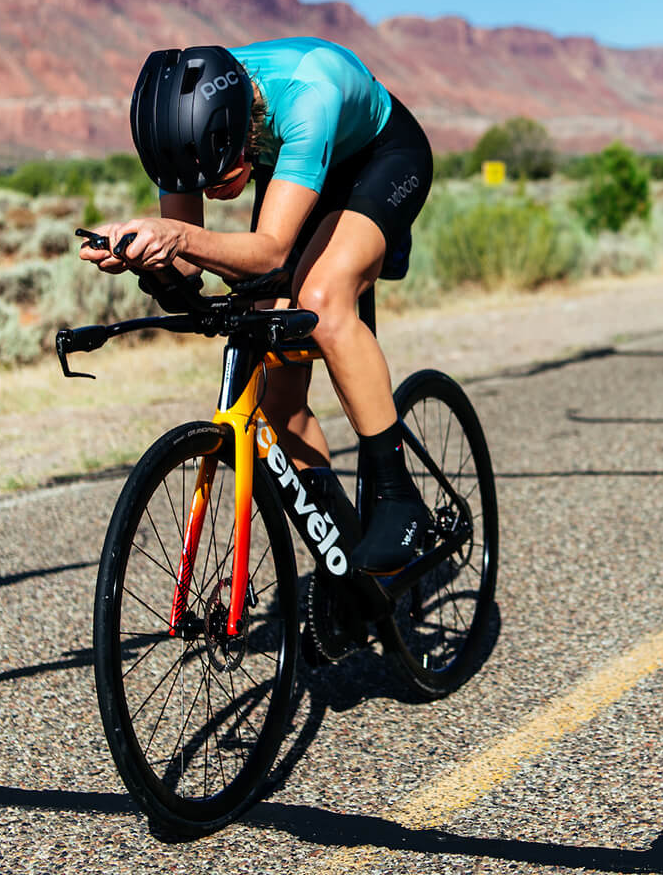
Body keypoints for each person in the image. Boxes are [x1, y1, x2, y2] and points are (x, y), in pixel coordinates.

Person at [79, 38, 434, 573]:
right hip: (294, 163)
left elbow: (268, 252)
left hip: (379, 160)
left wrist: (177, 235)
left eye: (217, 176)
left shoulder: (307, 95)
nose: (209, 192)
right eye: (194, 181)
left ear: (241, 129)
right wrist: (140, 255)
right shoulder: (185, 125)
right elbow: (187, 266)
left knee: (321, 299)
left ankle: (398, 495)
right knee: (273, 369)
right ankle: (344, 560)